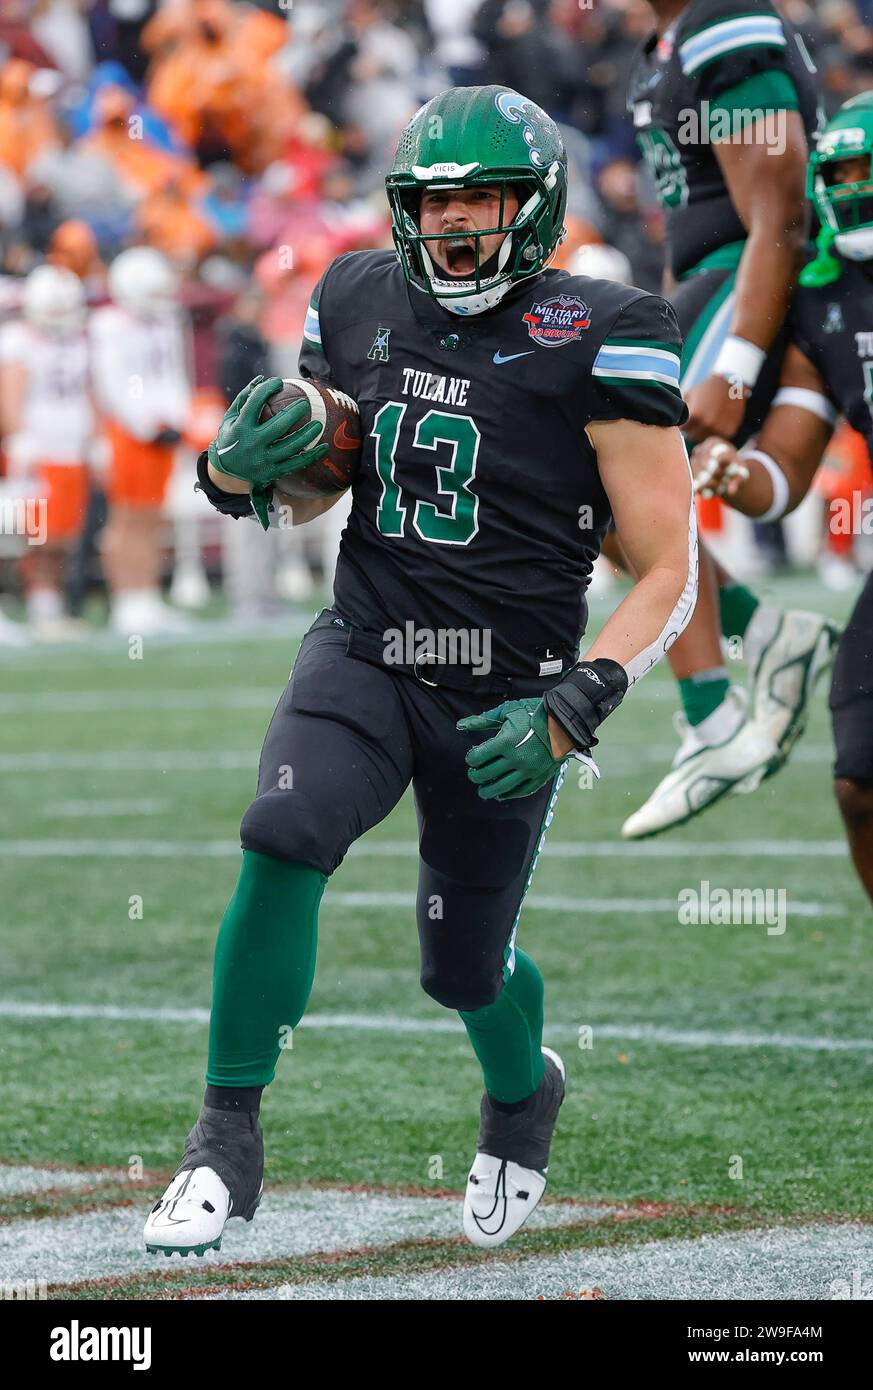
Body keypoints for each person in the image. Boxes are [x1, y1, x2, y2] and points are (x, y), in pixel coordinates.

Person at [144, 85, 698, 1256]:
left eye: (482, 200)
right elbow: (315, 489)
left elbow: (667, 567)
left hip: (512, 686)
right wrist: (239, 475)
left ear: (536, 208)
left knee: (463, 967)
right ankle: (222, 1139)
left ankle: (520, 1093)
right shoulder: (353, 293)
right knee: (281, 834)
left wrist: (579, 700)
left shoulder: (609, 328)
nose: (454, 227)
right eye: (433, 204)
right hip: (370, 644)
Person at [619, 0, 839, 839]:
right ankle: (763, 636)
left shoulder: (723, 17)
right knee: (588, 478)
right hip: (711, 283)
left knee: (600, 458)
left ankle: (715, 721)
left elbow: (778, 208)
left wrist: (737, 366)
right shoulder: (670, 36)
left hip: (741, 280)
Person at [690, 93, 873, 903]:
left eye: (863, 168)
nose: (850, 185)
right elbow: (785, 473)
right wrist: (738, 473)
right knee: (857, 782)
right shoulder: (825, 301)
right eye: (837, 171)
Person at [89, 246, 192, 634]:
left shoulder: (165, 319)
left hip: (161, 431)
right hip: (129, 431)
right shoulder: (109, 324)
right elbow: (113, 383)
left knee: (153, 517)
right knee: (126, 518)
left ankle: (147, 597)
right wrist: (147, 422)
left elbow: (173, 373)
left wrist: (177, 418)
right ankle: (126, 600)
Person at [0, 264, 93, 642]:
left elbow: (89, 391)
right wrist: (18, 436)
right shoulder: (17, 339)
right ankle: (34, 605)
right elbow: (10, 394)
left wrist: (95, 439)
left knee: (63, 536)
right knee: (31, 535)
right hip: (36, 452)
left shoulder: (77, 340)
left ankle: (48, 609)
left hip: (71, 450)